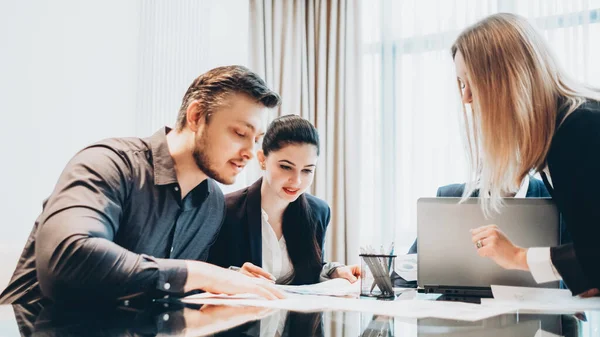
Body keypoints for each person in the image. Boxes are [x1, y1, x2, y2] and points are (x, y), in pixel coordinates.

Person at [0, 65, 286, 305]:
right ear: (197, 116)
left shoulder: (211, 203)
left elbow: (161, 284)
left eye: (257, 138)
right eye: (239, 133)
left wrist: (227, 278)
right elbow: (69, 259)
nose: (251, 151)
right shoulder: (108, 164)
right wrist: (204, 274)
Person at [451, 13, 600, 296]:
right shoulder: (560, 134)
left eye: (473, 82)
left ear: (508, 78)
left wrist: (518, 256)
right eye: (461, 84)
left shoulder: (578, 130)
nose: (466, 98)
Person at [209, 115, 360, 285]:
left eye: (307, 170)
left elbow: (309, 271)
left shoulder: (319, 211)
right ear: (262, 160)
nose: (296, 181)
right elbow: (203, 271)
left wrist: (334, 272)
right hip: (240, 310)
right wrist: (233, 276)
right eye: (286, 167)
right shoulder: (224, 210)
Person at [407, 175, 570, 254]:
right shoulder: (450, 197)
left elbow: (581, 276)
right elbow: (405, 274)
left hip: (537, 314)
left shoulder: (557, 200)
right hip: (464, 313)